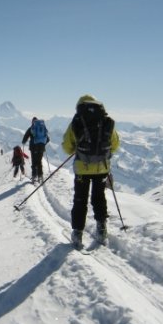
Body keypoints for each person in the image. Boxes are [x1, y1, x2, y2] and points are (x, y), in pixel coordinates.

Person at [62, 95, 120, 247]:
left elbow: (67, 146)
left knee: (80, 199)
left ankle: (77, 233)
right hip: (102, 167)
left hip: (82, 168)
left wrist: (78, 149)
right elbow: (114, 144)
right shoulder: (106, 121)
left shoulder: (76, 121)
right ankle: (101, 230)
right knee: (99, 197)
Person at [21, 117, 49, 183]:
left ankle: (34, 176)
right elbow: (47, 139)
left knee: (34, 162)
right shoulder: (42, 128)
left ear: (32, 122)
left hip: (33, 148)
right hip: (41, 148)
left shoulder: (31, 128)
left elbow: (25, 137)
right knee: (39, 161)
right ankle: (40, 176)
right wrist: (42, 144)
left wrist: (23, 142)